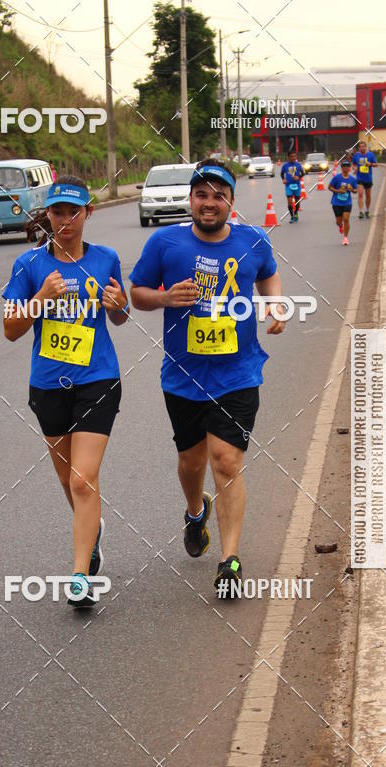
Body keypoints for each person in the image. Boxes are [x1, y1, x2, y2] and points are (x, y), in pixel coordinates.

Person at [130, 159, 285, 597]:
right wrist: (163, 297)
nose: (209, 202)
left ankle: (229, 561)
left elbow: (269, 274)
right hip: (182, 378)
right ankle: (196, 512)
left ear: (231, 201)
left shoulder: (253, 241)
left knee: (226, 461)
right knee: (192, 463)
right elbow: (136, 293)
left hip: (238, 374)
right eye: (202, 194)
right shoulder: (165, 242)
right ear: (191, 199)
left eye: (219, 195)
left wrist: (274, 305)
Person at [2, 177, 129, 608]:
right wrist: (40, 297)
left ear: (88, 213)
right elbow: (10, 329)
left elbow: (122, 315)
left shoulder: (106, 258)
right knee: (68, 480)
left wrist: (117, 306)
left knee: (81, 478)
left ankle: (80, 578)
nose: (66, 220)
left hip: (97, 380)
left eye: (74, 212)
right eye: (58, 212)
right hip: (48, 386)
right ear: (48, 215)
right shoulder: (28, 265)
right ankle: (90, 533)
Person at [328, 159, 358, 245]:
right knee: (339, 222)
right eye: (344, 166)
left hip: (347, 203)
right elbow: (329, 187)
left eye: (348, 166)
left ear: (349, 168)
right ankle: (340, 226)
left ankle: (345, 238)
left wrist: (352, 189)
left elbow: (356, 190)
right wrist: (338, 191)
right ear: (341, 168)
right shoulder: (337, 177)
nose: (346, 168)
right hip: (336, 203)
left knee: (346, 219)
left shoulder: (352, 179)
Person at [351, 141, 378, 218]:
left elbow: (376, 164)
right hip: (359, 178)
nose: (362, 148)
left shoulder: (370, 155)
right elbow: (353, 163)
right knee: (360, 194)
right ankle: (361, 211)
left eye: (363, 146)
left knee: (368, 195)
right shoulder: (356, 155)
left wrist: (371, 164)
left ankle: (367, 210)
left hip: (368, 178)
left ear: (365, 147)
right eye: (360, 147)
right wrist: (355, 168)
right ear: (359, 148)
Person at [280, 149, 304, 223]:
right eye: (292, 156)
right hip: (288, 185)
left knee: (297, 202)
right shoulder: (285, 165)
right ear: (288, 157)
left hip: (297, 185)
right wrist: (283, 179)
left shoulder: (298, 164)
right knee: (290, 201)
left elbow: (303, 173)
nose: (294, 158)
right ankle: (292, 216)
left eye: (294, 156)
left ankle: (296, 212)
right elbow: (282, 173)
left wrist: (299, 177)